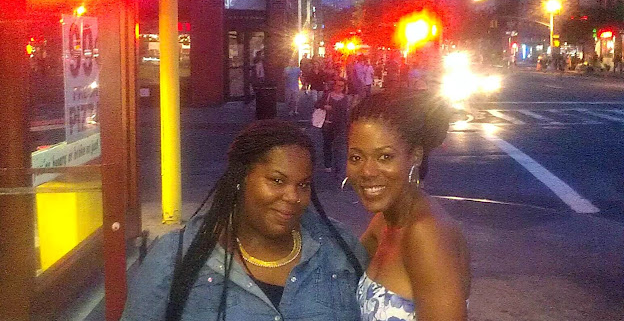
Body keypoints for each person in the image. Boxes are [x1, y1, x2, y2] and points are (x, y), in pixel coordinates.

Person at [121, 120, 366, 321]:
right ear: (241, 178)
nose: (293, 197)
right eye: (277, 181)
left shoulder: (339, 249)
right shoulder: (175, 258)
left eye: (303, 184)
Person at [346, 92, 469, 321]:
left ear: (415, 156)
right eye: (356, 158)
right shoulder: (384, 222)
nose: (367, 171)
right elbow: (339, 269)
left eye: (385, 157)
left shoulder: (426, 234)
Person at [320, 77, 350, 173]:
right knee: (327, 144)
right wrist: (324, 106)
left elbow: (345, 113)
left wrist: (347, 125)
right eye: (338, 85)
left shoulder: (345, 98)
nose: (339, 88)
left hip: (340, 125)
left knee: (338, 146)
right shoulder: (327, 95)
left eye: (342, 86)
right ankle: (328, 164)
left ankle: (338, 167)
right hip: (328, 123)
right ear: (334, 86)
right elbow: (317, 104)